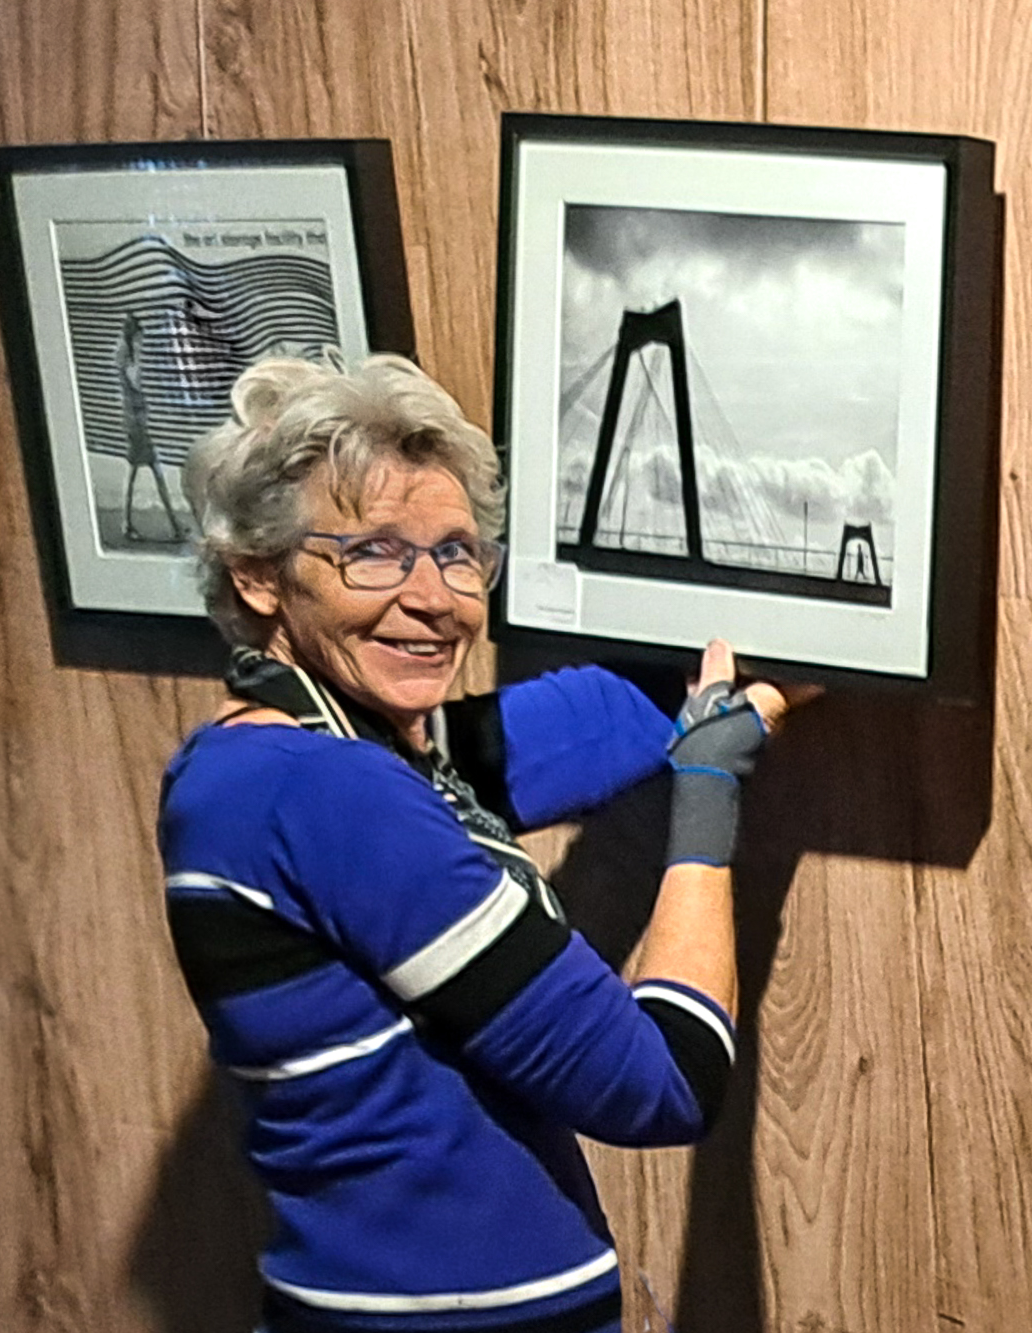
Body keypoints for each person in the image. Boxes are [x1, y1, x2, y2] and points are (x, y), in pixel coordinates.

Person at [158, 352, 789, 1333]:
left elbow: (578, 725)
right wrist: (708, 791)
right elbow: (662, 1083)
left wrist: (806, 647)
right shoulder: (335, 793)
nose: (433, 597)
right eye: (373, 552)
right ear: (259, 575)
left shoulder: (252, 764)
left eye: (456, 552)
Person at [116, 311, 188, 542]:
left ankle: (131, 524)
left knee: (138, 473)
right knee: (153, 472)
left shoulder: (124, 355)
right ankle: (172, 526)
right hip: (136, 424)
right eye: (140, 338)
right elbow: (136, 382)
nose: (142, 342)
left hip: (136, 421)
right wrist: (139, 357)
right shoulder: (128, 358)